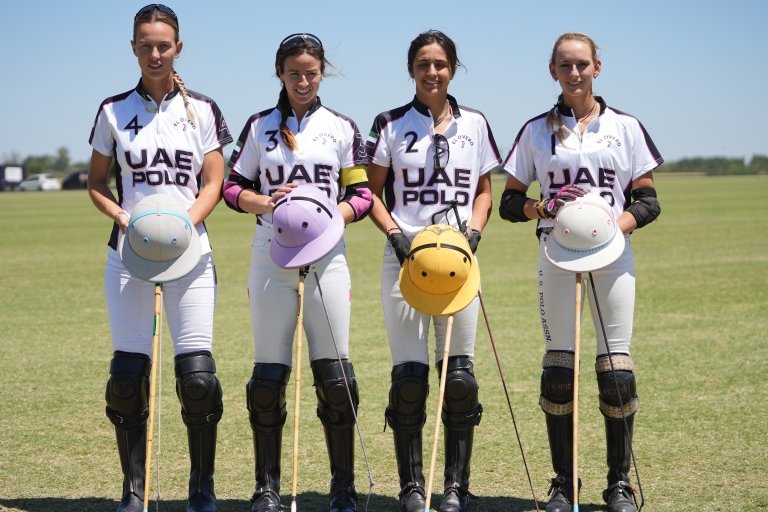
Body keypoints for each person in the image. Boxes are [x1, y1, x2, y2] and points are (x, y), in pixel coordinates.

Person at [498, 32, 663, 512]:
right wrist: (543, 207)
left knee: (616, 374)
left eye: (582, 64)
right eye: (565, 65)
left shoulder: (626, 127)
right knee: (558, 371)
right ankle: (564, 482)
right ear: (553, 71)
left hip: (612, 257)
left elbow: (647, 201)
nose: (574, 73)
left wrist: (610, 228)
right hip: (556, 255)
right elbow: (509, 202)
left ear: (597, 68)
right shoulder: (536, 130)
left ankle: (619, 484)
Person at [87, 4, 232, 512]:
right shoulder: (112, 110)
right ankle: (134, 489)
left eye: (163, 45)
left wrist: (182, 226)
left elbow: (214, 182)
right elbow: (97, 183)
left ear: (178, 48)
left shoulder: (203, 110)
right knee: (127, 380)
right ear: (133, 48)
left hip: (192, 256)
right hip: (128, 255)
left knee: (198, 379)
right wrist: (126, 220)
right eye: (146, 45)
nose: (155, 54)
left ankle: (201, 489)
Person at [222, 32, 371, 512]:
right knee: (267, 379)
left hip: (328, 257)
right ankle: (266, 487)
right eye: (293, 74)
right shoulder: (259, 126)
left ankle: (342, 488)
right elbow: (231, 188)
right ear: (280, 74)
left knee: (336, 378)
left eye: (310, 73)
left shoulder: (342, 127)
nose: (303, 82)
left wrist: (328, 217)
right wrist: (266, 203)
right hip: (271, 253)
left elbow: (362, 195)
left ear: (322, 73)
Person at [365, 30, 502, 512]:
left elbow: (483, 191)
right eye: (423, 64)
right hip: (406, 260)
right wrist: (396, 237)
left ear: (453, 69)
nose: (432, 72)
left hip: (459, 263)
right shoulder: (389, 123)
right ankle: (411, 486)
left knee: (459, 379)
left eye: (440, 64)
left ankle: (455, 487)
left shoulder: (476, 123)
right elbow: (370, 193)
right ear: (411, 70)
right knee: (409, 380)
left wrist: (475, 233)